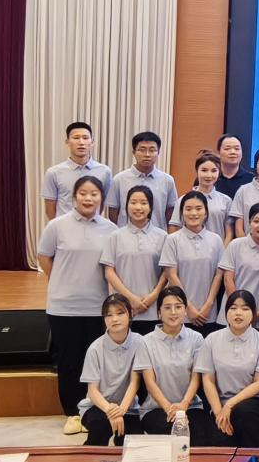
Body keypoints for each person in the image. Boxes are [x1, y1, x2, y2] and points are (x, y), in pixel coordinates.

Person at [38, 174, 117, 434]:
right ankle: (72, 413)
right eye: (83, 193)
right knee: (69, 361)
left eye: (94, 194)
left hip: (97, 307)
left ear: (102, 198)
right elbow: (44, 257)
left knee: (93, 361)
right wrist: (60, 282)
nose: (88, 198)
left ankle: (91, 409)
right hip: (63, 307)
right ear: (74, 197)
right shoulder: (57, 226)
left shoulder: (110, 230)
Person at [196, 290, 259, 446]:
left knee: (243, 413)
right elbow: (208, 380)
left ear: (253, 313)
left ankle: (252, 454)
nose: (238, 313)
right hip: (221, 403)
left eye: (245, 309)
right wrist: (219, 413)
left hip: (256, 400)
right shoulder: (212, 339)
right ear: (226, 312)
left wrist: (230, 404)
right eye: (233, 308)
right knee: (218, 441)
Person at [135, 286, 212, 441]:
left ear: (185, 310)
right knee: (174, 433)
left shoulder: (196, 338)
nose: (173, 312)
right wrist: (169, 409)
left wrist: (183, 405)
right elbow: (150, 383)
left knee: (199, 436)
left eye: (178, 307)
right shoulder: (146, 341)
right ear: (159, 312)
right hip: (156, 408)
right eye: (167, 307)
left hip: (190, 406)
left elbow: (196, 378)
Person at [101, 185, 168, 335]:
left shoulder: (162, 236)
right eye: (133, 202)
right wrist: (130, 298)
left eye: (143, 203)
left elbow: (166, 272)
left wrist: (153, 296)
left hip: (153, 308)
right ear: (126, 206)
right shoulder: (115, 236)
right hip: (122, 309)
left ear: (150, 207)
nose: (138, 207)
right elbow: (109, 272)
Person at [79, 293, 143, 446]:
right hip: (97, 406)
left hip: (128, 407)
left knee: (131, 443)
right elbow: (92, 390)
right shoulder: (95, 348)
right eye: (109, 315)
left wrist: (121, 410)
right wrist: (110, 411)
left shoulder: (140, 342)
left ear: (130, 314)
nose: (114, 319)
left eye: (120, 313)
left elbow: (135, 382)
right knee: (100, 427)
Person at [160, 191, 224, 333]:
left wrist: (209, 305)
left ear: (206, 213)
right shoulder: (172, 240)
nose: (193, 213)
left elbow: (218, 275)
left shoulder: (216, 240)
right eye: (188, 209)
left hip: (208, 313)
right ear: (181, 213)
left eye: (198, 208)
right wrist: (188, 306)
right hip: (180, 313)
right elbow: (171, 275)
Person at [219, 202, 259, 329]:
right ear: (249, 223)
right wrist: (239, 309)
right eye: (256, 221)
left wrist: (258, 312)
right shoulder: (235, 245)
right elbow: (228, 279)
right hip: (232, 312)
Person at [107, 132, 179, 230]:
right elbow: (113, 212)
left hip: (157, 236)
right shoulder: (119, 179)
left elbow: (170, 213)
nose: (147, 154)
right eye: (142, 150)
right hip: (126, 235)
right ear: (133, 152)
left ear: (158, 152)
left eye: (152, 150)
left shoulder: (167, 180)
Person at [42, 121, 112, 221]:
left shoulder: (104, 171)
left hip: (92, 226)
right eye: (76, 138)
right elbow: (50, 206)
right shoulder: (53, 172)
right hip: (64, 227)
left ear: (92, 142)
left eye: (85, 138)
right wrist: (58, 226)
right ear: (67, 142)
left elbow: (102, 202)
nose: (81, 142)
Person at [172, 150, 233, 243]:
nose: (209, 175)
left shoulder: (226, 201)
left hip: (216, 249)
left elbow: (229, 232)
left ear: (219, 172)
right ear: (197, 171)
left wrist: (223, 249)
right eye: (204, 170)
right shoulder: (183, 200)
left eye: (214, 171)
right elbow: (175, 227)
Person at [214, 134, 254, 199]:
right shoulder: (211, 177)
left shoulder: (251, 179)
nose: (233, 152)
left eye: (237, 149)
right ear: (218, 152)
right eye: (227, 148)